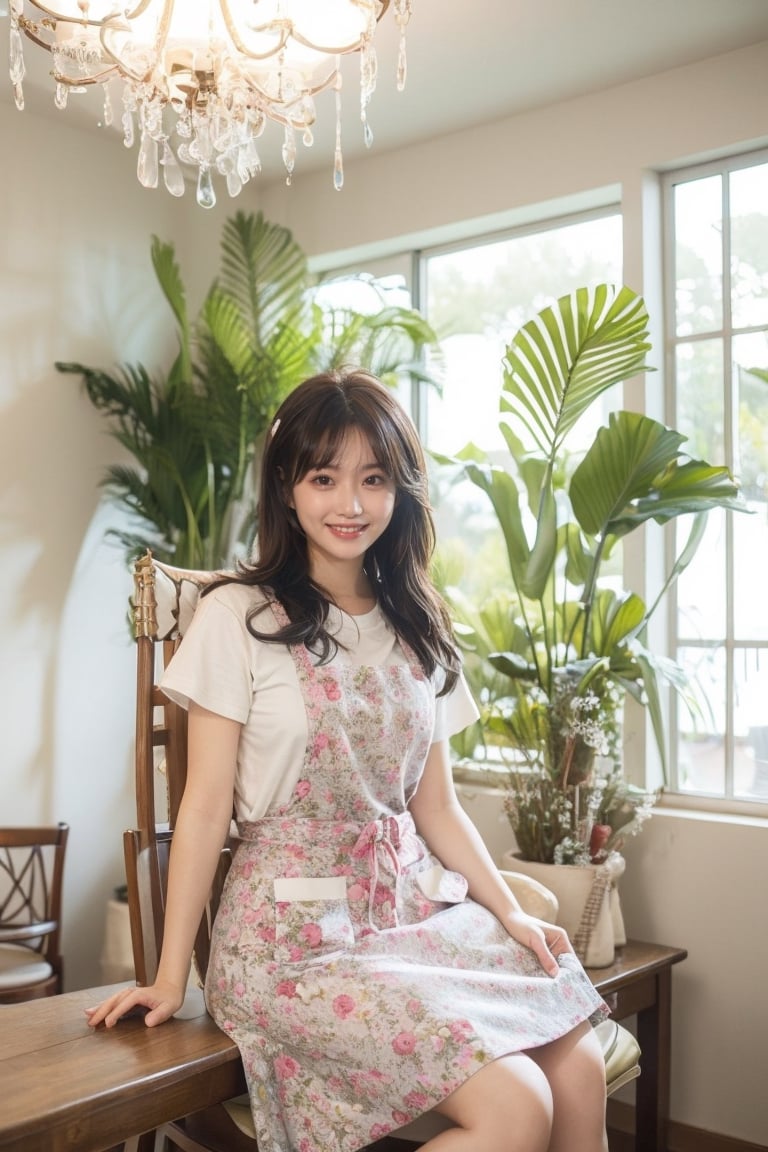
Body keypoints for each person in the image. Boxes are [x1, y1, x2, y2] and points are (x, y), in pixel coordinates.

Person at [87, 370, 609, 1152]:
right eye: (324, 477)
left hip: (405, 918)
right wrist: (171, 977)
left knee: (580, 1070)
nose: (351, 504)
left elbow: (437, 806)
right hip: (291, 945)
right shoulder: (239, 617)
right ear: (288, 487)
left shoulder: (420, 625)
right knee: (517, 1107)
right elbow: (200, 810)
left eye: (373, 479)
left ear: (400, 491)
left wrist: (510, 910)